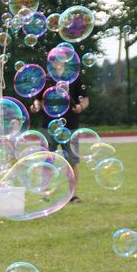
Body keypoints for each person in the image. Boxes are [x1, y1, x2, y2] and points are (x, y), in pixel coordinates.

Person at [31, 74, 89, 203]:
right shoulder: (46, 78)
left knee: (72, 162)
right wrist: (36, 106)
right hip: (48, 126)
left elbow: (85, 99)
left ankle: (72, 195)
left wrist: (80, 107)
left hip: (70, 125)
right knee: (46, 161)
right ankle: (44, 194)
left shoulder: (74, 77)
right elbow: (38, 100)